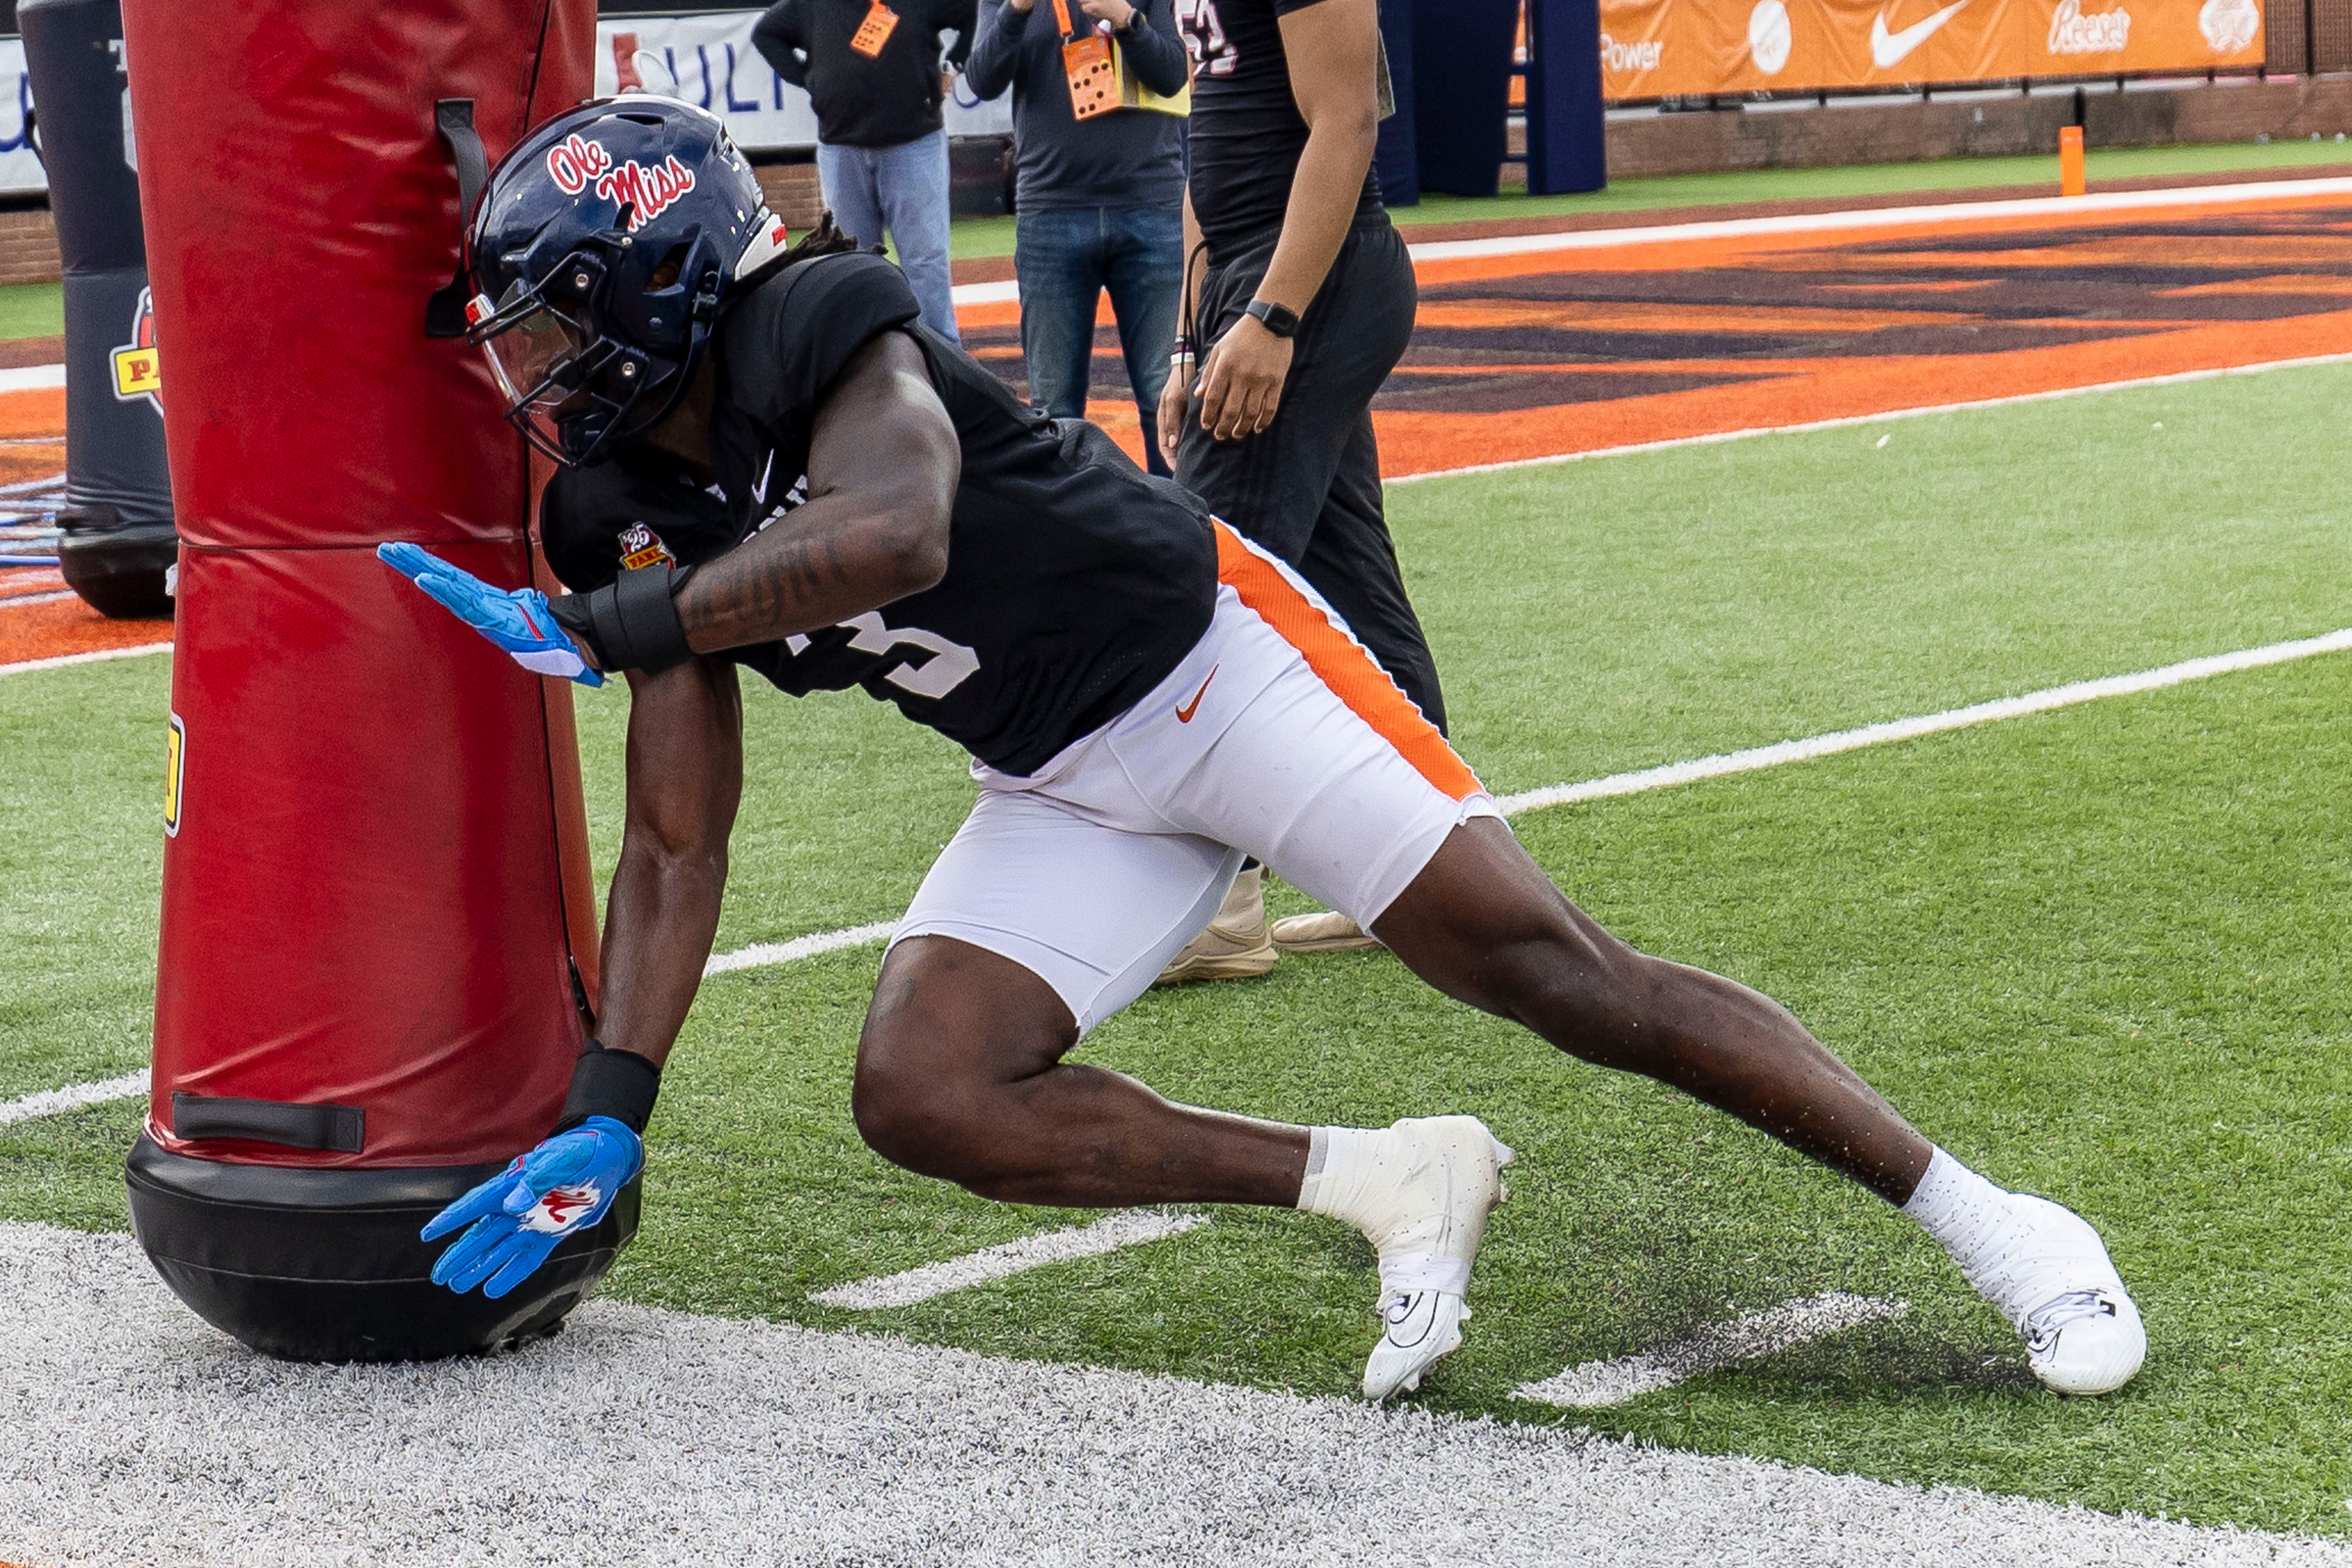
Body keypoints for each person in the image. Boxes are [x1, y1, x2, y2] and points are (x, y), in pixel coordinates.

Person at [386, 98, 2147, 1403]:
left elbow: (899, 526)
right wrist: (613, 1103)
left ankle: (1998, 1221)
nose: (541, 377)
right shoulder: (615, 503)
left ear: (668, 280)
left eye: (557, 328)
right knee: (928, 1087)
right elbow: (676, 837)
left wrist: (624, 624)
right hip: (1053, 773)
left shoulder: (814, 317)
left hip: (1212, 665)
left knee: (1549, 968)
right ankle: (1386, 1175)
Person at [1146, 0, 1435, 978]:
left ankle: (1221, 905)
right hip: (1254, 278)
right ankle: (1424, 873)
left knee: (1206, 586)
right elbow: (1208, 153)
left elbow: (1344, 119)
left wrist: (1274, 317)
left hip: (1306, 277)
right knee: (1349, 579)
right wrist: (1190, 338)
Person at [963, 0, 1190, 475]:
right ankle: (1068, 523)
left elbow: (1174, 75)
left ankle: (1178, 520)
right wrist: (1016, 11)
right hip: (1051, 211)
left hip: (1149, 204)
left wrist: (1126, 19)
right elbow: (981, 80)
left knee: (1165, 397)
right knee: (1054, 409)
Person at [753, 0, 976, 341]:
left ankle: (942, 359)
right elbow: (766, 34)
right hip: (843, 148)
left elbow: (972, 13)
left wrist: (955, 64)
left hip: (913, 143)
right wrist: (810, 80)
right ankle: (867, 355)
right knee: (855, 266)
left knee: (925, 263)